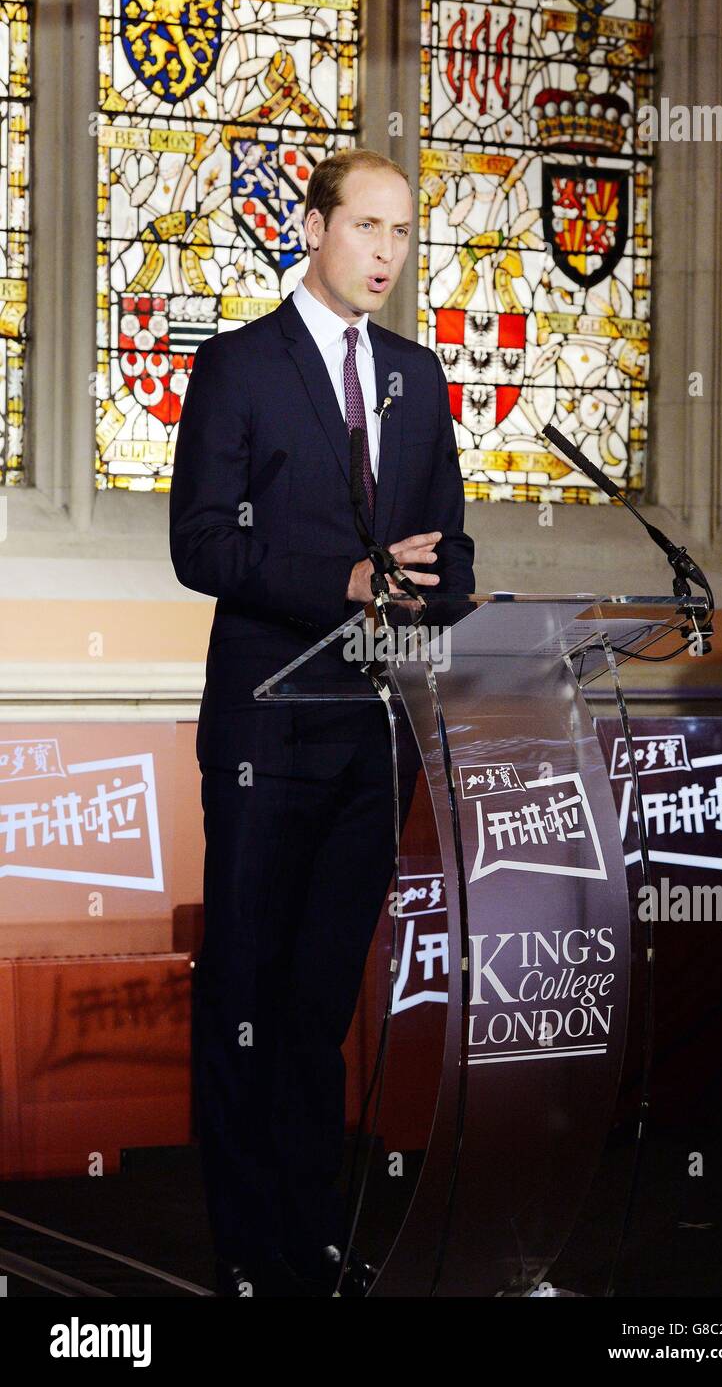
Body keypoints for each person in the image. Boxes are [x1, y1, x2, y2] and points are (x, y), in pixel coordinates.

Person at [169, 147, 475, 1297]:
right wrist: (348, 577)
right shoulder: (238, 366)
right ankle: (246, 1250)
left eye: (403, 233)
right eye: (368, 227)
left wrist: (439, 592)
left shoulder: (420, 374)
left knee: (315, 1001)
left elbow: (445, 546)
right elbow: (202, 544)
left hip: (371, 733)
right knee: (246, 996)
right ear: (312, 226)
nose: (388, 253)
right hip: (263, 734)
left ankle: (308, 1237)